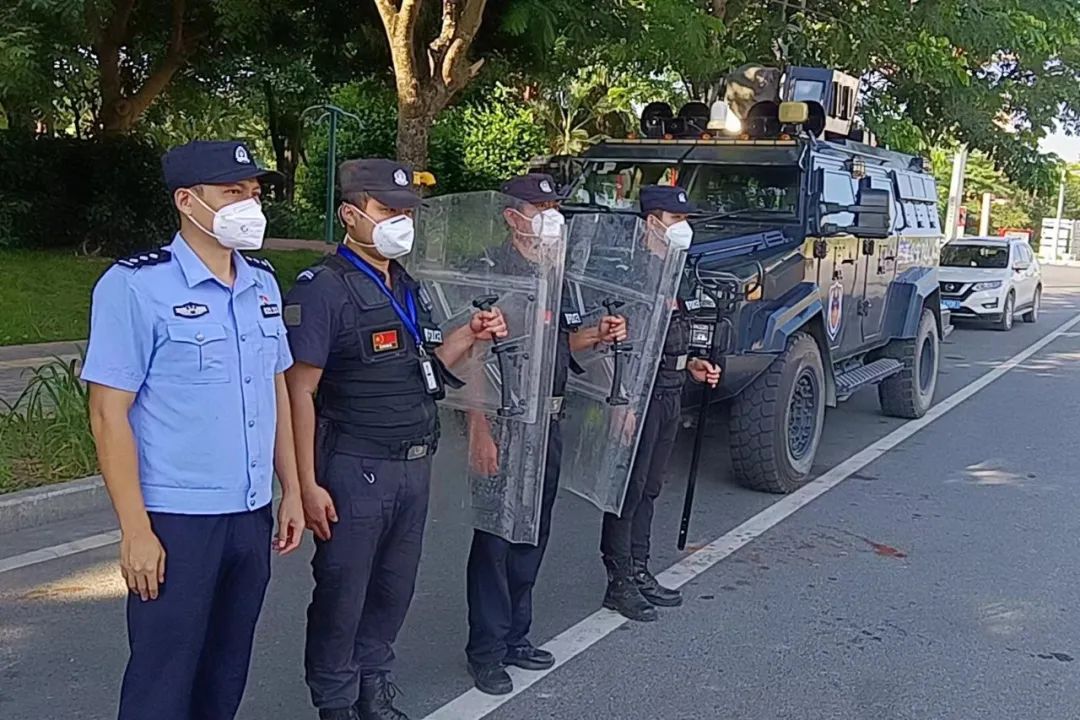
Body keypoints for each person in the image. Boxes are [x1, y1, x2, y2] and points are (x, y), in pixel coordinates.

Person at [81, 139, 305, 720]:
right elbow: (109, 413)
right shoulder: (134, 286)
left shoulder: (261, 282)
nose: (248, 205)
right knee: (163, 678)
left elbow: (275, 385)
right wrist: (135, 531)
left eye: (253, 193)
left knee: (226, 672)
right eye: (232, 192)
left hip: (249, 511)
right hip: (177, 521)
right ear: (187, 200)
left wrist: (292, 490)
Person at [283, 159, 508, 720]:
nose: (400, 222)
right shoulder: (323, 289)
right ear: (351, 215)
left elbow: (424, 367)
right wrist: (304, 483)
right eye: (388, 211)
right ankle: (336, 702)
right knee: (343, 593)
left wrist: (469, 336)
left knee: (392, 590)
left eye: (407, 212)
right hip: (354, 466)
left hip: (412, 464)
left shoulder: (406, 285)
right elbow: (297, 393)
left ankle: (373, 690)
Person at [464, 173, 627, 695]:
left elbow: (564, 347)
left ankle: (516, 634)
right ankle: (486, 649)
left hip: (548, 421)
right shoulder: (489, 271)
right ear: (513, 216)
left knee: (532, 531)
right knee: (495, 537)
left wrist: (596, 337)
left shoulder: (560, 273)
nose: (550, 217)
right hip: (504, 421)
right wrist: (478, 427)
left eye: (554, 206)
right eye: (539, 207)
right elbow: (471, 355)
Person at [598, 185, 721, 622]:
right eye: (675, 221)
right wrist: (623, 403)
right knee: (628, 491)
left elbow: (673, 334)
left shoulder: (678, 271)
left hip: (670, 389)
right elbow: (616, 347)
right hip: (639, 394)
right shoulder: (633, 273)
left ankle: (639, 568)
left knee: (650, 487)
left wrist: (694, 367)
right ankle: (619, 581)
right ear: (652, 222)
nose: (683, 230)